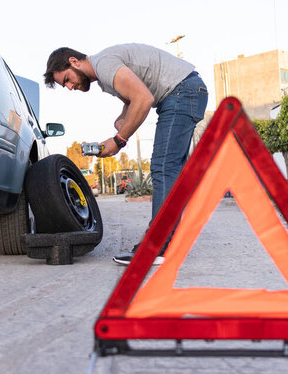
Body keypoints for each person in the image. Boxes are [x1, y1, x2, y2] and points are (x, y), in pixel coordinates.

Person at [44, 43, 208, 266]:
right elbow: (133, 100)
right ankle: (167, 244)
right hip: (185, 91)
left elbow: (144, 99)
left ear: (74, 62)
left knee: (163, 168)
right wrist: (123, 119)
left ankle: (157, 247)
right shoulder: (104, 76)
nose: (70, 87)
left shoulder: (104, 65)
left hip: (182, 92)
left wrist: (119, 140)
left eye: (67, 80)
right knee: (169, 171)